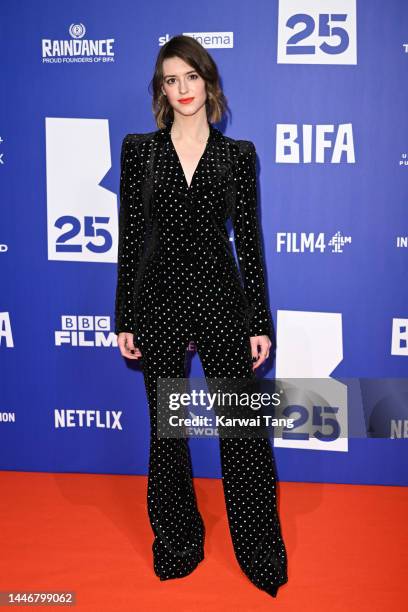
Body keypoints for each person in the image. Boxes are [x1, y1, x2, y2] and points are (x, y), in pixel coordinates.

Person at [114, 34, 288, 598]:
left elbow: (250, 244)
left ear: (208, 82)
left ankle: (259, 551)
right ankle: (179, 542)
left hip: (221, 302)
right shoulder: (140, 149)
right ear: (161, 90)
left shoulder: (239, 156)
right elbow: (131, 240)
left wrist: (259, 321)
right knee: (168, 436)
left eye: (191, 76)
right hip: (159, 303)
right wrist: (124, 318)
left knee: (243, 431)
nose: (183, 89)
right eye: (171, 79)